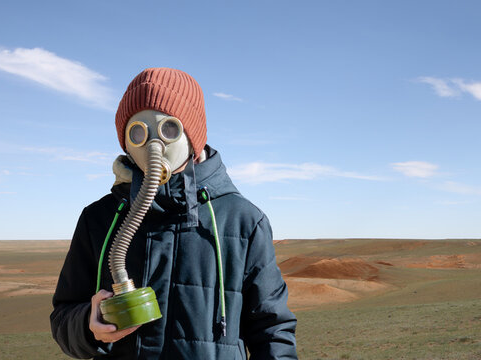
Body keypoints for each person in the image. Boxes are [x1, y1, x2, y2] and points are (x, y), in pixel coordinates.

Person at [50, 68, 297, 359]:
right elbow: (63, 317)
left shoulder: (242, 221)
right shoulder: (100, 218)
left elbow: (272, 331)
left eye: (169, 129)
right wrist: (86, 326)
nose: (155, 143)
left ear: (193, 135)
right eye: (138, 132)